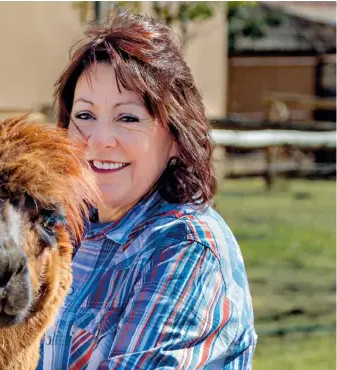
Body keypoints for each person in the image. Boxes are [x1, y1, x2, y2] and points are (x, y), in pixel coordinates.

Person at [37, 11, 256, 370]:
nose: (99, 141)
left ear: (175, 137)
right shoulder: (65, 231)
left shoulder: (185, 247)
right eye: (85, 116)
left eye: (128, 118)